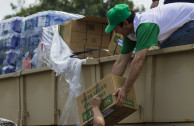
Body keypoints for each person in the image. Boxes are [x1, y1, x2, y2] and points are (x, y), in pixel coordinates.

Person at [105, 3, 194, 106]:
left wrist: (125, 89)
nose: (115, 32)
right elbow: (121, 61)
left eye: (115, 29)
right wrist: (108, 89)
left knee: (166, 51)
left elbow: (139, 60)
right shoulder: (130, 33)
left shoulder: (145, 25)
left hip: (191, 21)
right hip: (186, 21)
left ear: (125, 23)